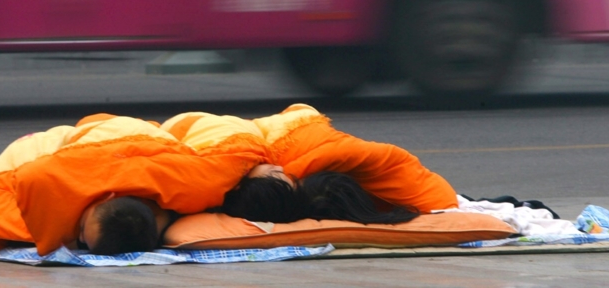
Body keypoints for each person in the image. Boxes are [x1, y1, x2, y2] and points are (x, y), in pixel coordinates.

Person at [0, 114, 270, 255]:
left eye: (78, 237)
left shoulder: (26, 217)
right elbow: (245, 145)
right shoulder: (197, 183)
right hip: (88, 141)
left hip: (101, 132)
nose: (71, 231)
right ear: (105, 197)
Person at [165, 104, 458, 223]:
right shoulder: (262, 162)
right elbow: (439, 198)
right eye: (284, 176)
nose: (280, 169)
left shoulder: (239, 175)